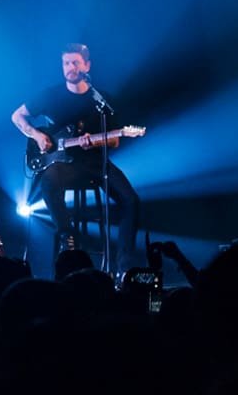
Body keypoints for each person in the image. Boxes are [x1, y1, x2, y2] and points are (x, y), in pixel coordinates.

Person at [11, 43, 141, 271]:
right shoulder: (50, 95)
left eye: (75, 63)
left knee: (131, 200)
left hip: (95, 164)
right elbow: (17, 116)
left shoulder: (101, 100)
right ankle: (67, 238)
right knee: (49, 181)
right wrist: (37, 135)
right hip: (63, 164)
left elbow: (115, 140)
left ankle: (125, 264)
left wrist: (95, 140)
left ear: (87, 66)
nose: (70, 67)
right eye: (66, 63)